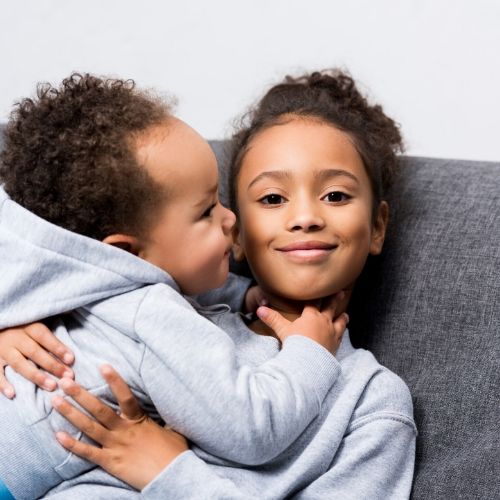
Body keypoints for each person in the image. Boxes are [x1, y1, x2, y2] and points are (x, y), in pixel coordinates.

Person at [1, 70, 417, 499]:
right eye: (272, 198)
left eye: (336, 195)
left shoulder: (371, 402)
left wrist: (167, 471)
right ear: (235, 230)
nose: (306, 216)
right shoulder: (155, 304)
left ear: (378, 226)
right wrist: (15, 323)